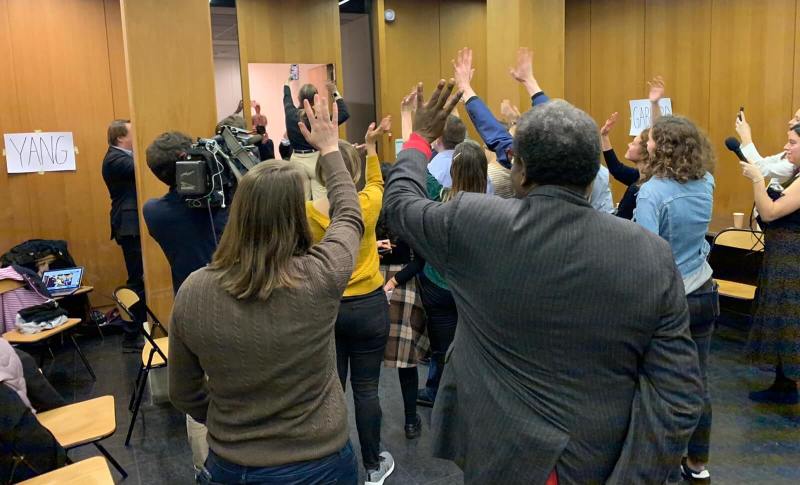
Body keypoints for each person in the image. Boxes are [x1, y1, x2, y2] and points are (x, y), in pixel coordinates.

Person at [384, 79, 703, 484]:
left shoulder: (473, 223)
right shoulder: (652, 255)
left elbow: (400, 204)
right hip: (598, 461)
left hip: (497, 454)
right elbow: (678, 395)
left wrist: (419, 137)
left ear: (519, 170)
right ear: (592, 178)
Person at [169, 94, 362, 484]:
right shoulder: (321, 276)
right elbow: (348, 216)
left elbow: (184, 393)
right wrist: (329, 150)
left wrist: (233, 424)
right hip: (321, 461)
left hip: (233, 463)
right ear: (297, 216)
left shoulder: (194, 291)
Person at [305, 116, 395, 484]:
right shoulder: (366, 205)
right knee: (367, 389)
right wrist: (371, 147)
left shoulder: (308, 213)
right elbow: (377, 182)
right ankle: (373, 466)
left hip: (327, 308)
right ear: (352, 171)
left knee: (331, 389)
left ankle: (329, 461)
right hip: (370, 306)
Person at [633, 115, 718, 484]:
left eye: (651, 139)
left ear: (663, 147)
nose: (646, 144)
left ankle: (662, 465)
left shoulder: (652, 193)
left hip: (668, 299)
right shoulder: (707, 181)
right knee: (699, 382)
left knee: (658, 385)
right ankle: (698, 464)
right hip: (704, 292)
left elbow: (646, 253)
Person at [142, 131, 230, 472]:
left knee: (200, 391)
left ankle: (205, 470)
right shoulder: (225, 205)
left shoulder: (154, 212)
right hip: (235, 306)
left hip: (189, 310)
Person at [451, 47, 612, 210]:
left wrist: (466, 88)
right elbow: (555, 122)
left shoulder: (535, 162)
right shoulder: (597, 170)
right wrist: (530, 82)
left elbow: (497, 136)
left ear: (523, 174)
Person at [415, 140, 488, 408]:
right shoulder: (492, 210)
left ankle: (436, 391)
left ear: (454, 171)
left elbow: (420, 172)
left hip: (437, 285)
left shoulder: (439, 199)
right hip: (473, 289)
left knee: (440, 347)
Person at [739, 123, 800, 405]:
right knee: (780, 319)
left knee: (787, 319)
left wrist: (756, 180)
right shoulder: (793, 174)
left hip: (790, 259)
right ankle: (783, 383)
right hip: (781, 256)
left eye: (792, 142)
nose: (786, 148)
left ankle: (788, 384)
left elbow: (770, 212)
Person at [142, 132, 229, 295]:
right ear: (185, 159)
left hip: (187, 300)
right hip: (233, 298)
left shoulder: (153, 212)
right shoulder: (225, 203)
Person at [101, 119, 144, 350]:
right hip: (129, 225)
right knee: (137, 280)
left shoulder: (121, 156)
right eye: (132, 132)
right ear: (120, 138)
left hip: (133, 224)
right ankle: (131, 335)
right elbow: (143, 166)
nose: (136, 136)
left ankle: (139, 330)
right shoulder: (115, 159)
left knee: (140, 279)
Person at [598, 77, 664, 219]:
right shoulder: (639, 177)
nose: (628, 144)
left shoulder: (639, 188)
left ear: (646, 151)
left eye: (633, 143)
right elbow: (616, 169)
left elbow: (659, 136)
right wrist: (604, 136)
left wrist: (655, 104)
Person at [284, 74, 350, 200]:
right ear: (316, 98)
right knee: (320, 203)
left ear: (298, 98)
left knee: (301, 202)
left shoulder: (290, 113)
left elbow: (286, 96)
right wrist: (334, 91)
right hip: (316, 160)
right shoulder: (321, 119)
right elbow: (344, 113)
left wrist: (287, 81)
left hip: (297, 160)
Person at [736, 108, 799, 187]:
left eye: (797, 120)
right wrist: (745, 139)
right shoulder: (791, 151)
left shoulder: (794, 162)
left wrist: (746, 137)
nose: (790, 122)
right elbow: (763, 163)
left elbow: (760, 169)